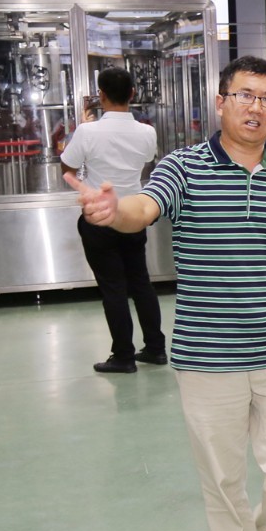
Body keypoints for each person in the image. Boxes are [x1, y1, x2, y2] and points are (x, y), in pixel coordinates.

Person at [69, 55, 266, 531]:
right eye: (245, 95)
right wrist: (114, 212)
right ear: (221, 102)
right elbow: (144, 209)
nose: (256, 107)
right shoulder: (183, 167)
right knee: (223, 478)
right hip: (208, 355)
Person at [61, 67, 164, 374]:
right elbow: (146, 160)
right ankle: (156, 348)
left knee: (113, 288)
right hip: (133, 213)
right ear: (132, 94)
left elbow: (67, 167)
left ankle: (123, 356)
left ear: (101, 95)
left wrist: (84, 131)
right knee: (141, 282)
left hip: (99, 217)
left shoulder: (87, 132)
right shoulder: (147, 132)